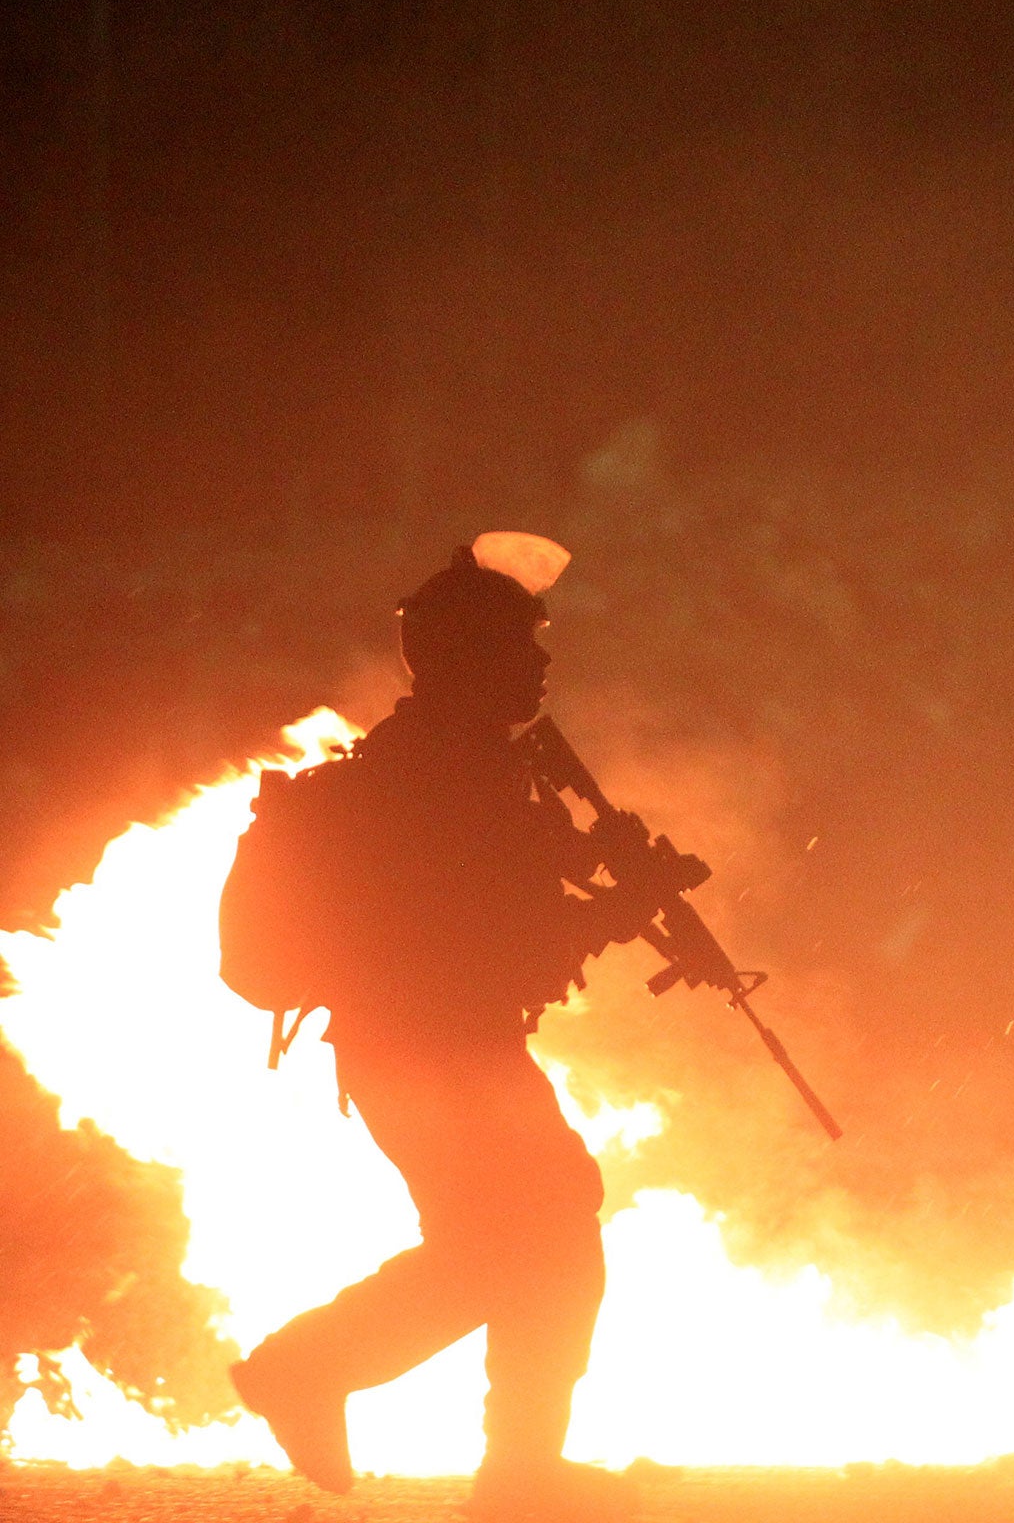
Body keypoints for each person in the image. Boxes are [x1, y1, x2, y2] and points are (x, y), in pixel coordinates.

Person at [218, 538, 660, 1519]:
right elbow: (506, 943)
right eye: (521, 646)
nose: (542, 665)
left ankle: (504, 1466)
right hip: (436, 1051)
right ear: (466, 657)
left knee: (522, 1235)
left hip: (429, 1050)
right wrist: (619, 908)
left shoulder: (453, 771)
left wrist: (606, 886)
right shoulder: (449, 783)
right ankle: (326, 1377)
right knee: (529, 1235)